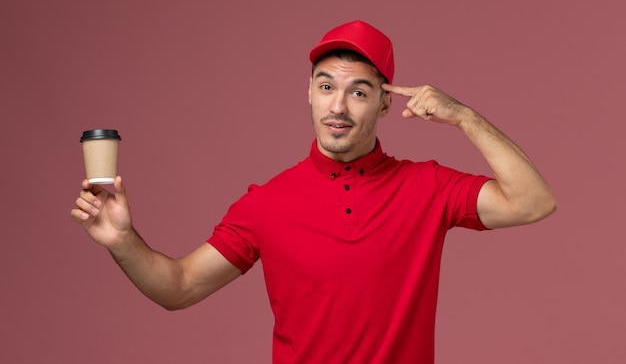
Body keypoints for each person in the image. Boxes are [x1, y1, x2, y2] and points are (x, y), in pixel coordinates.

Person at [71, 20, 557, 364]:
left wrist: (463, 117)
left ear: (386, 103)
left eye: (359, 92)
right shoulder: (265, 203)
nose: (338, 106)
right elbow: (177, 288)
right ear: (308, 91)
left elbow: (534, 201)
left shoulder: (427, 186)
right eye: (326, 87)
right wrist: (122, 240)